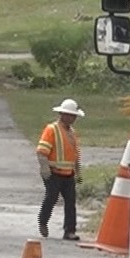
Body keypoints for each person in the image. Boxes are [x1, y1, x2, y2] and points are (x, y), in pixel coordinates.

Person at [36, 98, 84, 240]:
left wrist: (78, 173)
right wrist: (45, 168)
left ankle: (69, 231)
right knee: (51, 197)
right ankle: (43, 221)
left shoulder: (72, 133)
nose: (72, 118)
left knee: (71, 202)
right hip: (53, 173)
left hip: (68, 174)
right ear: (61, 115)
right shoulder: (52, 129)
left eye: (73, 116)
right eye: (69, 115)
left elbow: (75, 155)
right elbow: (41, 151)